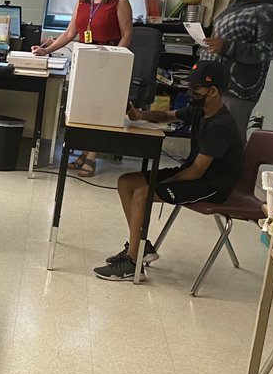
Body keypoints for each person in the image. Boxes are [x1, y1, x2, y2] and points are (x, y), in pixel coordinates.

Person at [95, 61, 244, 282]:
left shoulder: (221, 126)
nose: (190, 92)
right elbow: (166, 116)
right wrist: (139, 114)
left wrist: (159, 184)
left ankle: (133, 263)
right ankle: (141, 246)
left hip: (212, 184)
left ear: (213, 91)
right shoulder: (199, 111)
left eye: (196, 88)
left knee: (142, 193)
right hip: (192, 172)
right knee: (126, 182)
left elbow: (197, 172)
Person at [33, 0, 134, 178]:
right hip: (85, 58)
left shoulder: (120, 1)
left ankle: (91, 156)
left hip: (108, 59)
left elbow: (127, 33)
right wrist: (46, 50)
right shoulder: (82, 1)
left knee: (99, 110)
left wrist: (117, 59)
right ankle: (82, 153)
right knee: (84, 108)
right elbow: (70, 33)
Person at [198, 0, 273, 137]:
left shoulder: (267, 11)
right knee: (209, 136)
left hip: (237, 89)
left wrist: (226, 46)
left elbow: (267, 51)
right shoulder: (235, 7)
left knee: (228, 137)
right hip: (216, 84)